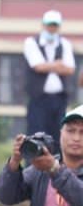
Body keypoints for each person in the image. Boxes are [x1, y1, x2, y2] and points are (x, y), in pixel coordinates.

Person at [26, 11, 74, 143]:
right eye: (49, 25)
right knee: (36, 136)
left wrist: (47, 66)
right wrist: (58, 65)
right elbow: (37, 66)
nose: (52, 28)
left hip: (59, 99)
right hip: (38, 98)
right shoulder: (32, 42)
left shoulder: (65, 44)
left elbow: (70, 69)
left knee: (58, 136)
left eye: (54, 25)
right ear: (43, 25)